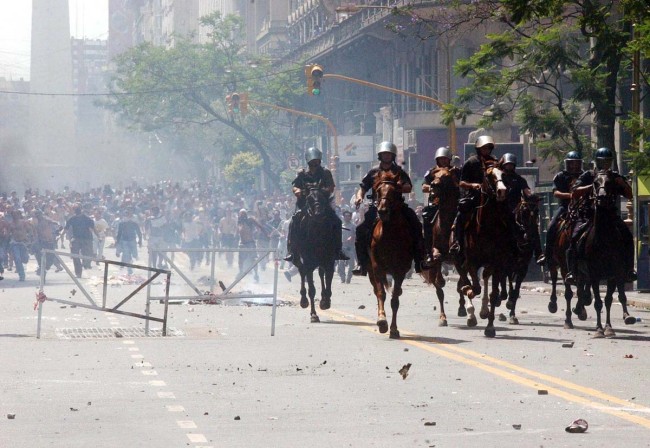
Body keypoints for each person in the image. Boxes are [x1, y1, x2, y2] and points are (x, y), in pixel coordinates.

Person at [351, 141, 431, 276]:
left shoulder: (399, 171)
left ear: (393, 155)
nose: (386, 156)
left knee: (416, 225)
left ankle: (420, 261)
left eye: (389, 154)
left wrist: (399, 186)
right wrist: (359, 197)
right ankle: (361, 263)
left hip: (397, 207)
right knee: (360, 229)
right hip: (377, 207)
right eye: (384, 154)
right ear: (380, 156)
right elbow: (363, 188)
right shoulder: (373, 172)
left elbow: (409, 187)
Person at [566, 147, 636, 284]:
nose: (605, 164)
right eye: (602, 161)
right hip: (590, 215)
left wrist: (622, 183)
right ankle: (572, 272)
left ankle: (629, 270)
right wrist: (590, 186)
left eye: (607, 161)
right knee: (574, 237)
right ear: (597, 162)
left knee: (627, 237)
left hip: (611, 215)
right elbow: (574, 192)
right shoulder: (588, 175)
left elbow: (630, 195)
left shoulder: (615, 176)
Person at [283, 147, 349, 263]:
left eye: (317, 160)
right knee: (293, 222)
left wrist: (322, 191)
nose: (315, 162)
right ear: (308, 161)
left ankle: (338, 250)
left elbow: (331, 187)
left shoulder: (325, 172)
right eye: (313, 161)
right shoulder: (302, 173)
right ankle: (292, 251)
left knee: (337, 221)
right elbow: (295, 186)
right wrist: (297, 191)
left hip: (322, 203)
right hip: (305, 204)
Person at [449, 135, 499, 257]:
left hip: (492, 197)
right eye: (484, 148)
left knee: (508, 213)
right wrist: (473, 185)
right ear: (478, 148)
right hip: (474, 196)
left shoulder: (495, 163)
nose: (486, 150)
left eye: (488, 148)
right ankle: (457, 242)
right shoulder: (471, 162)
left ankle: (514, 242)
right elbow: (461, 182)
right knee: (461, 215)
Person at [500, 153, 545, 265]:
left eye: (511, 165)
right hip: (500, 207)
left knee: (532, 225)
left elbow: (526, 191)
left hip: (516, 207)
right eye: (507, 165)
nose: (509, 167)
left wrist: (531, 196)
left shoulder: (519, 179)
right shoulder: (499, 178)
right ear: (503, 165)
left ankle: (539, 254)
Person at [542, 151, 584, 266]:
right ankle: (547, 255)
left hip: (582, 207)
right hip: (565, 207)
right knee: (551, 226)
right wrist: (570, 196)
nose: (574, 166)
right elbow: (556, 193)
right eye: (572, 163)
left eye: (576, 163)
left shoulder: (585, 175)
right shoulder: (560, 176)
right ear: (567, 164)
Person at [421, 146, 460, 264]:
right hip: (437, 204)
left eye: (445, 159)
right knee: (426, 219)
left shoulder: (456, 171)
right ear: (437, 160)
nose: (443, 161)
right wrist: (433, 187)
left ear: (449, 160)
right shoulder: (431, 172)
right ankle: (429, 252)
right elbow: (424, 187)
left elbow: (461, 184)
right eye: (441, 159)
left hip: (455, 203)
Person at [65, 205, 96, 278]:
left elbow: (65, 229)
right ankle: (79, 270)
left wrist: (60, 237)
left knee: (78, 256)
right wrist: (98, 236)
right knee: (77, 255)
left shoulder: (85, 219)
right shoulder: (74, 219)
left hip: (84, 239)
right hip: (81, 239)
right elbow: (94, 229)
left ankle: (81, 269)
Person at [115, 208, 143, 275]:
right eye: (126, 214)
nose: (127, 216)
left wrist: (140, 241)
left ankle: (131, 263)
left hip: (132, 240)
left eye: (129, 214)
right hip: (125, 241)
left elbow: (139, 232)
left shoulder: (134, 223)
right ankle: (129, 269)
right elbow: (119, 233)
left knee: (134, 254)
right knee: (127, 255)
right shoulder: (122, 223)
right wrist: (117, 242)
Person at [338, 210, 356, 283]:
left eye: (349, 216)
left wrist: (352, 237)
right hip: (342, 246)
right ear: (343, 216)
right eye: (346, 216)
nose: (347, 217)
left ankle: (349, 278)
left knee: (351, 264)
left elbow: (355, 234)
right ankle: (342, 278)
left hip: (350, 247)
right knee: (341, 264)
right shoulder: (341, 225)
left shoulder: (353, 226)